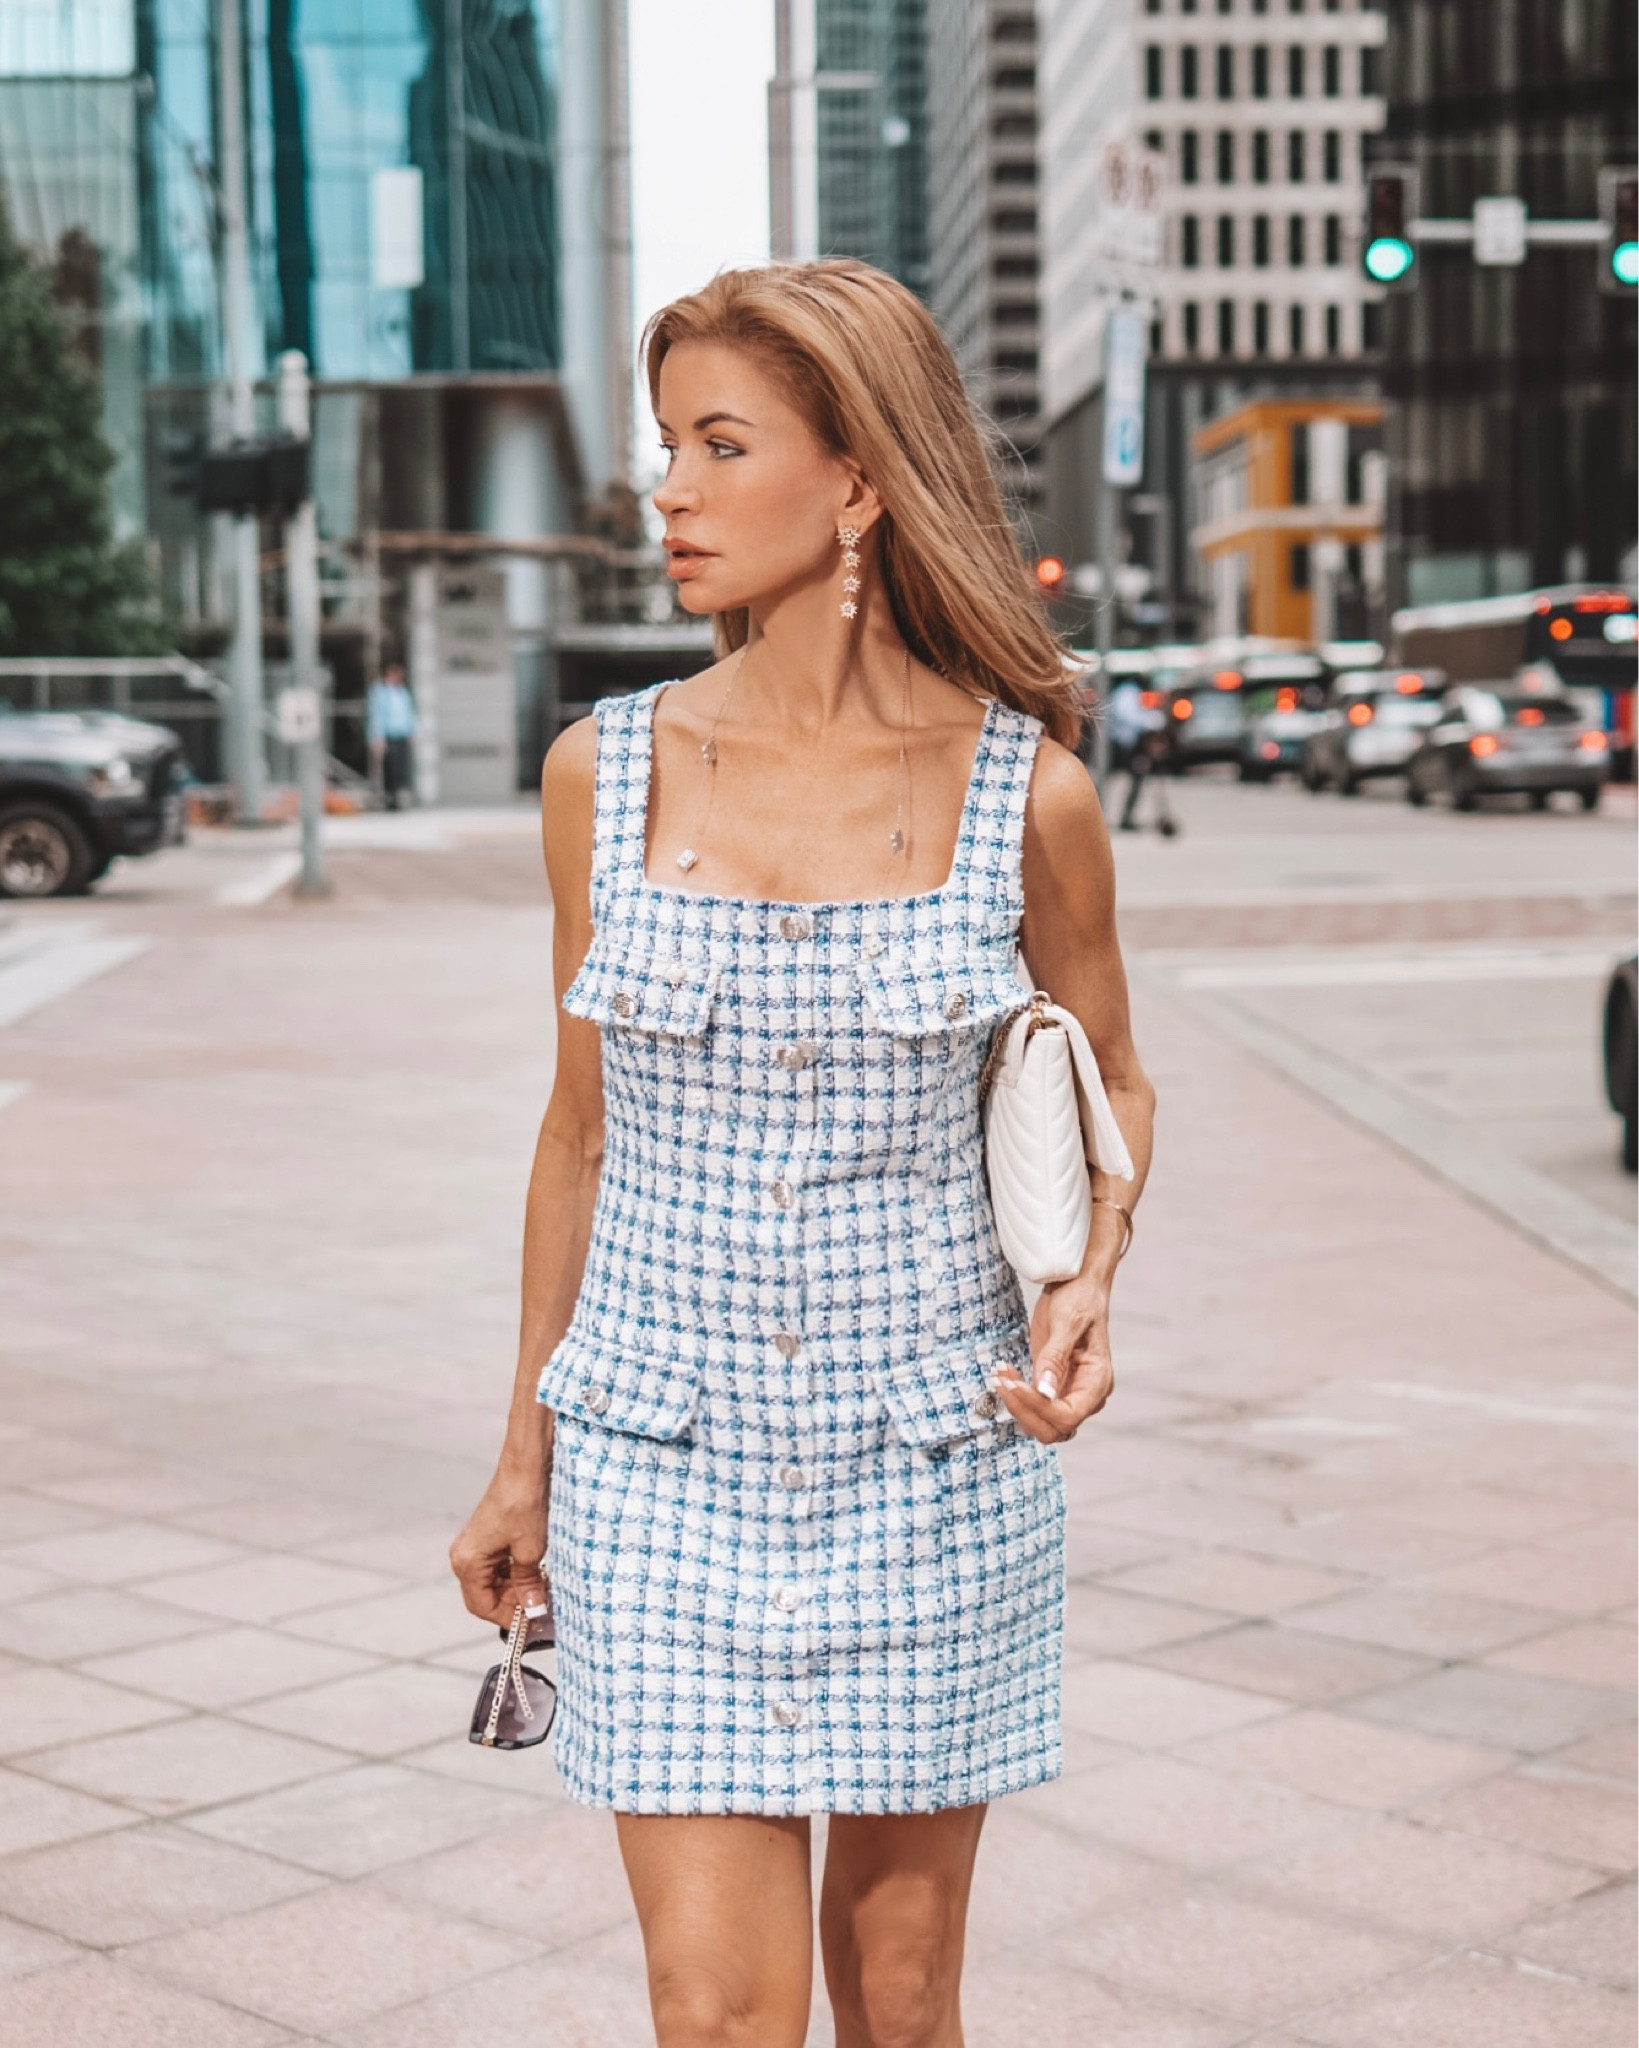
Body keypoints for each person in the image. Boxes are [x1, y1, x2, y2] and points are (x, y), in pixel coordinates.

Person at [450, 260, 1156, 2048]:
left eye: (715, 442)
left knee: (902, 2003)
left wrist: (1081, 1284)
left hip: (930, 1455)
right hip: (658, 1456)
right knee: (712, 2012)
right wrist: (519, 1454)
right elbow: (580, 1132)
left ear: (855, 480)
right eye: (662, 444)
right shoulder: (601, 774)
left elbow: (1110, 1085)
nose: (664, 490)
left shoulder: (1027, 793)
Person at [1107, 677, 1176, 834]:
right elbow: (1130, 717)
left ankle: (1127, 815)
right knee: (1130, 776)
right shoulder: (1127, 693)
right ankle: (1123, 816)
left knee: (1137, 778)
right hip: (1121, 745)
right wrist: (1154, 720)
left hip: (1128, 745)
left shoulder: (1131, 692)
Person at [365, 661, 417, 809]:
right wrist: (377, 737)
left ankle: (399, 797)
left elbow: (409, 713)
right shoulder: (380, 692)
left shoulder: (403, 692)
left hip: (402, 734)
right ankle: (390, 798)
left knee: (402, 768)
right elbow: (376, 715)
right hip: (388, 735)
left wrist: (413, 731)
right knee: (390, 768)